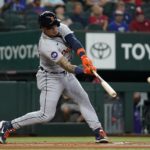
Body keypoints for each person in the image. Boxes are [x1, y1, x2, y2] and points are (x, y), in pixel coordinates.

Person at [0, 11, 109, 144]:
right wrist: (84, 70)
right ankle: (8, 125)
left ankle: (98, 131)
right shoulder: (45, 45)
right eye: (50, 27)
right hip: (50, 77)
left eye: (55, 25)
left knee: (83, 99)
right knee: (46, 115)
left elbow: (73, 41)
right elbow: (66, 66)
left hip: (66, 76)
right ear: (43, 28)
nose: (55, 29)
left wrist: (83, 56)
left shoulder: (61, 27)